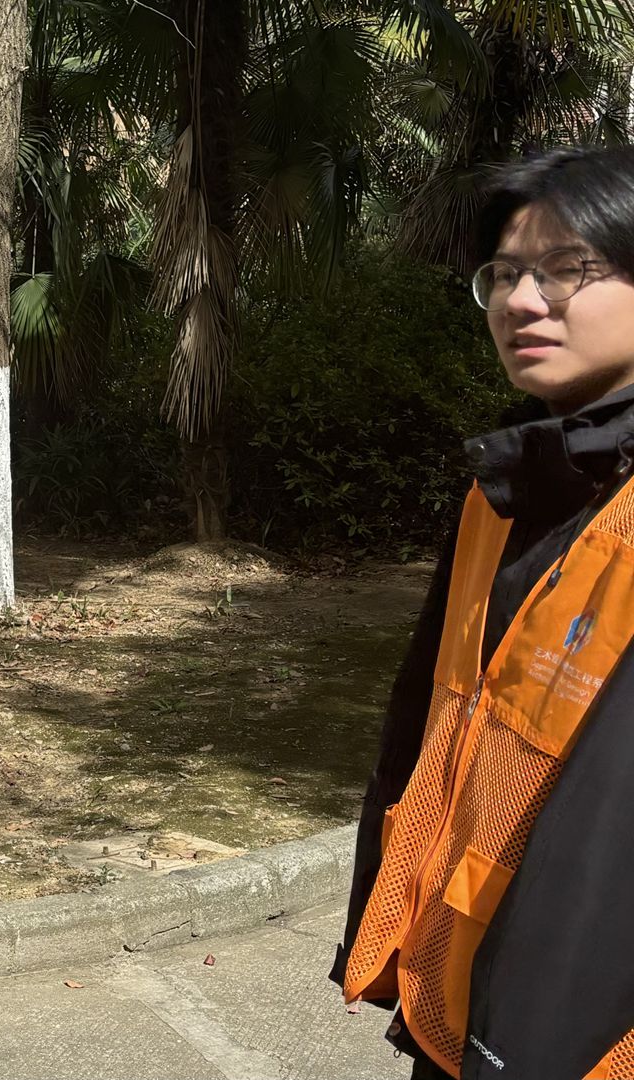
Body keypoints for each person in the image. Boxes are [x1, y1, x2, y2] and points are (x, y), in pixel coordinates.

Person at [335, 145, 634, 1079]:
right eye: (503, 274)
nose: (520, 301)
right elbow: (424, 729)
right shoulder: (507, 491)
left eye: (567, 268)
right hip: (461, 995)